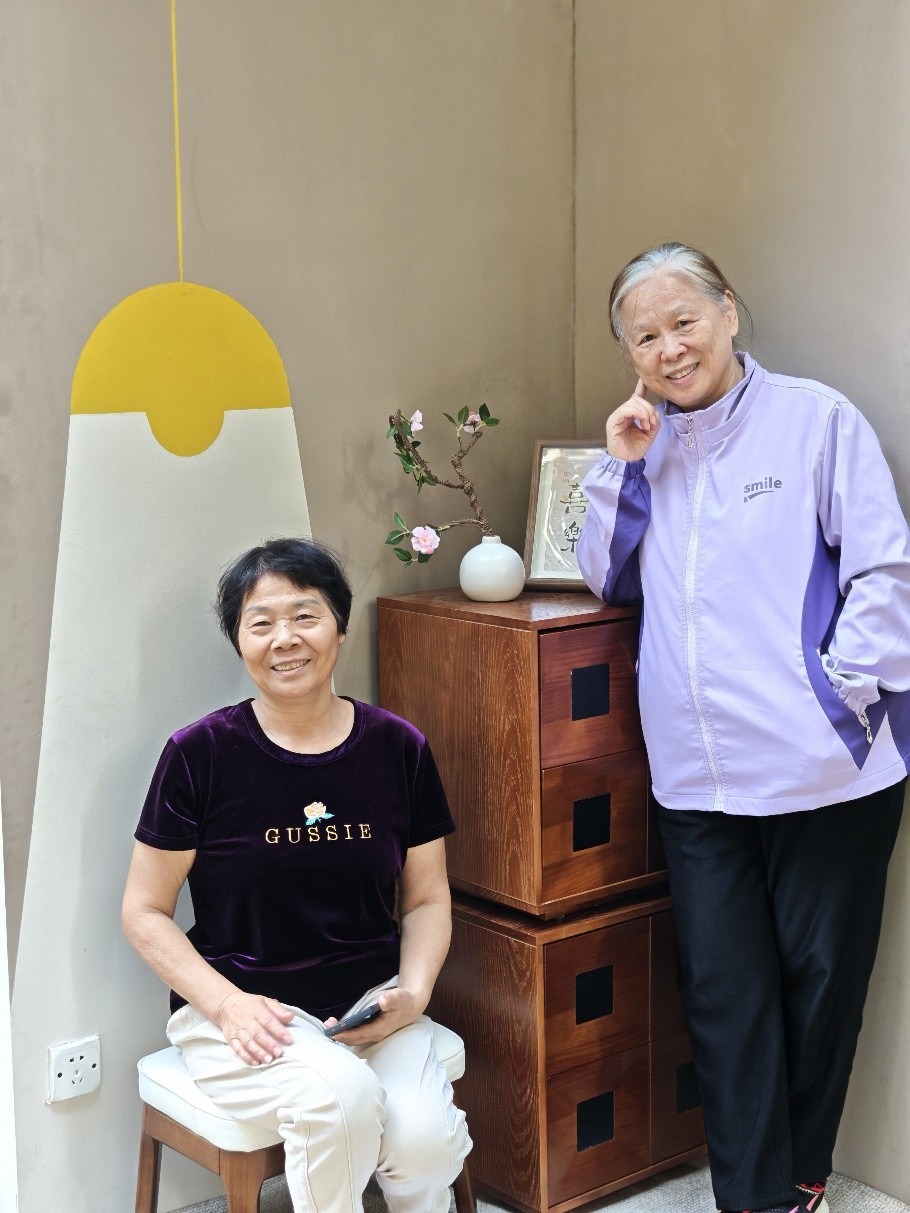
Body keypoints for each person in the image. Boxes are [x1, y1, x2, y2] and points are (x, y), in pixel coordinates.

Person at [576, 243, 910, 1213]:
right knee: (724, 996)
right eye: (645, 336)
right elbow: (603, 575)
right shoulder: (645, 445)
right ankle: (753, 1198)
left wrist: (842, 692)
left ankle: (800, 1177)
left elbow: (884, 569)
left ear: (726, 311)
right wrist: (620, 466)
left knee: (820, 981)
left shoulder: (816, 420)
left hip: (825, 765)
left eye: (683, 320)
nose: (669, 348)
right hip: (697, 774)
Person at [122, 537, 471, 1213]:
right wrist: (227, 1005)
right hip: (245, 1012)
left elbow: (427, 897)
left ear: (339, 625)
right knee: (338, 1097)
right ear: (239, 642)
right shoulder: (199, 755)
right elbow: (143, 910)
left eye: (305, 615)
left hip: (370, 1003)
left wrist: (414, 991)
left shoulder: (398, 747)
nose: (284, 639)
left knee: (426, 1143)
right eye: (261, 623)